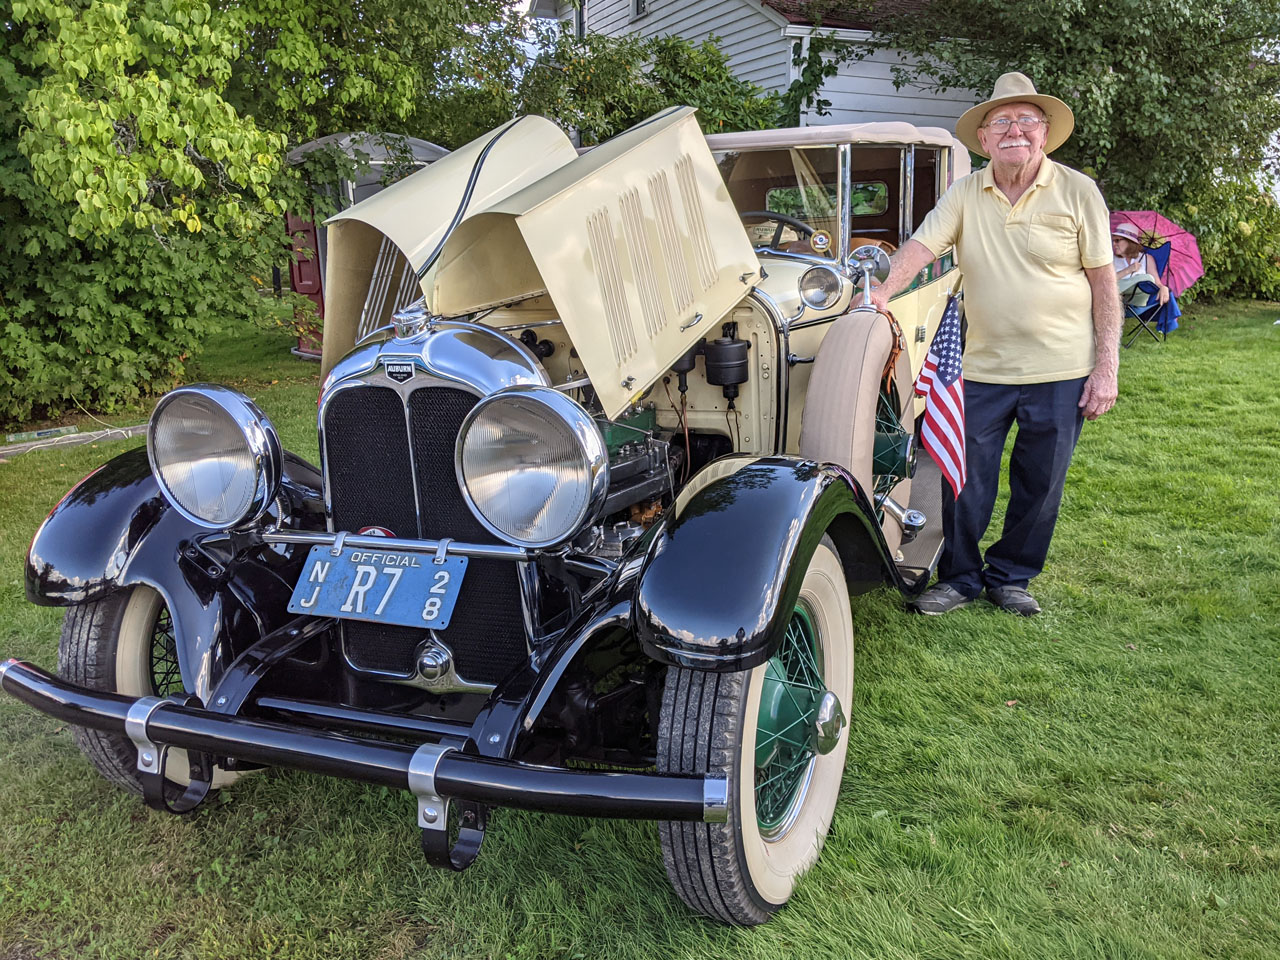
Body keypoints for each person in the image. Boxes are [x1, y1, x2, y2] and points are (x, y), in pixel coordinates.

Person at [867, 71, 1121, 616]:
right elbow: (919, 247)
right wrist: (882, 291)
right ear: (983, 139)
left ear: (1045, 133)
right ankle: (960, 578)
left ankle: (1011, 577)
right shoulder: (965, 192)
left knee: (1040, 482)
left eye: (1025, 120)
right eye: (1000, 121)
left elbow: (1105, 285)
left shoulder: (1078, 191)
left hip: (1061, 368)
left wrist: (1106, 367)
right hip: (979, 367)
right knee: (963, 478)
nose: (1014, 130)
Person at [1112, 222, 1170, 305]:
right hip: (1114, 300)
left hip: (1136, 302)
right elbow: (1107, 281)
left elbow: (1156, 283)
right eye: (1113, 240)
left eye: (1117, 240)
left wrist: (1163, 287)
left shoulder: (1146, 258)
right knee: (1146, 278)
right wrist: (1128, 270)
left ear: (1129, 241)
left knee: (1148, 278)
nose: (1114, 244)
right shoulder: (1111, 259)